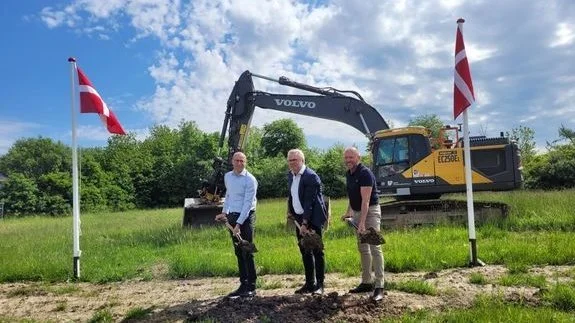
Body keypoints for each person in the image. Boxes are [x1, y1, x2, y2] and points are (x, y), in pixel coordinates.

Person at [342, 147, 385, 301]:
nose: (348, 160)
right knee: (363, 248)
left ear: (358, 157)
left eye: (351, 157)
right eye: (346, 157)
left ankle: (379, 286)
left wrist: (361, 223)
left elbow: (366, 201)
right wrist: (349, 211)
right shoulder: (349, 174)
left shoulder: (365, 173)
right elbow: (352, 195)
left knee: (374, 247)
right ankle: (366, 282)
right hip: (357, 211)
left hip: (370, 211)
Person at [215, 151, 258, 298]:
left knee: (247, 250)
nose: (239, 163)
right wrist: (224, 212)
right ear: (232, 162)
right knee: (238, 252)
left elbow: (247, 204)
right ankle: (243, 284)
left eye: (242, 161)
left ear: (245, 162)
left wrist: (239, 224)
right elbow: (228, 196)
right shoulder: (228, 177)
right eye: (237, 160)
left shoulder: (250, 180)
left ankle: (252, 287)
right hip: (232, 216)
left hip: (246, 218)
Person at [286, 149, 328, 295]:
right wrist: (291, 212)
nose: (292, 163)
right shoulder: (291, 175)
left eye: (295, 160)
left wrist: (305, 223)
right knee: (305, 251)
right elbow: (292, 196)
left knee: (317, 251)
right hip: (299, 219)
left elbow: (309, 202)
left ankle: (320, 285)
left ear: (302, 161)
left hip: (312, 220)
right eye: (290, 160)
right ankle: (310, 283)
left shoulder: (311, 177)